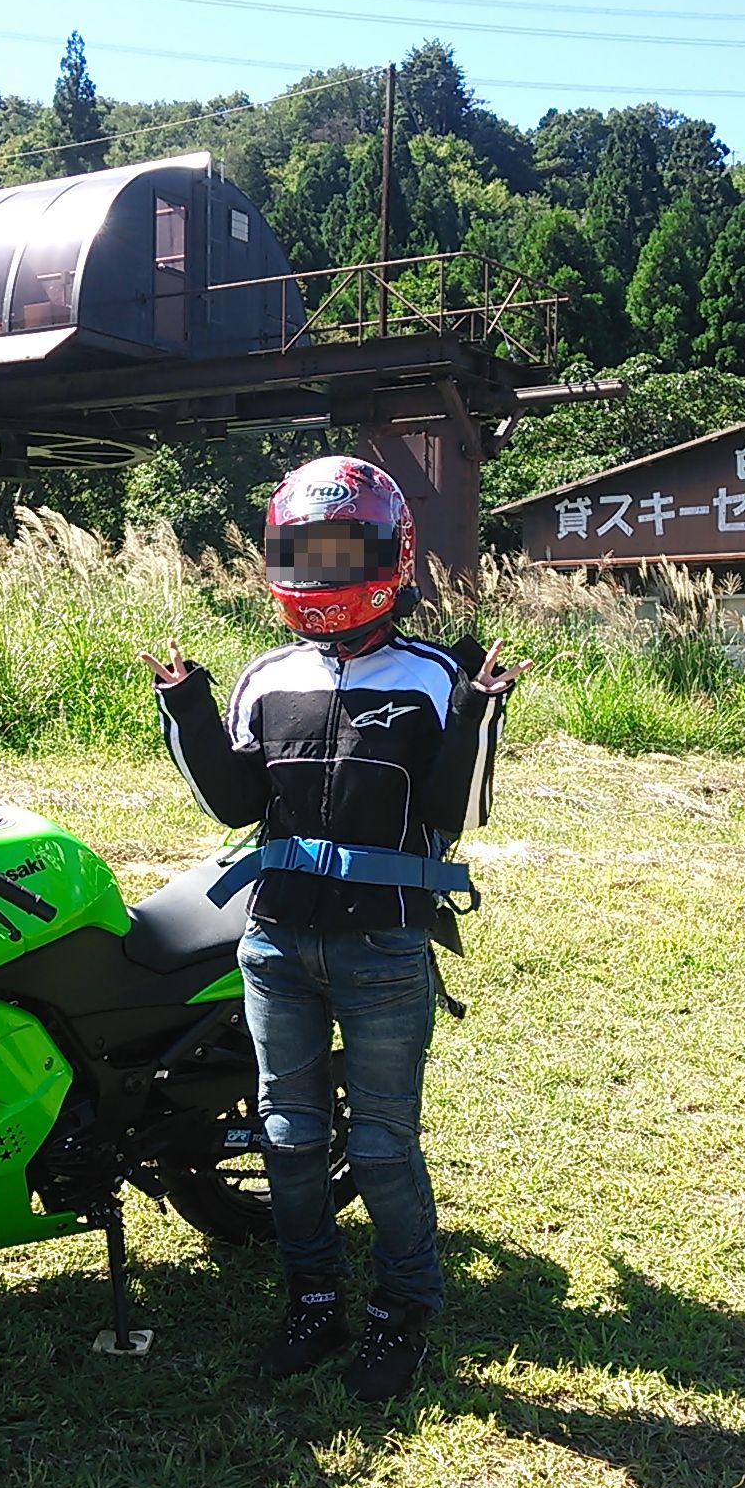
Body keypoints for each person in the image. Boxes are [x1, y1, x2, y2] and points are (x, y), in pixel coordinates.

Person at [139, 455, 528, 1401]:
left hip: (384, 946)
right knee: (288, 1135)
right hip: (274, 943)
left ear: (390, 555)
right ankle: (312, 1300)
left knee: (383, 1144)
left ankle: (402, 1314)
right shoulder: (264, 677)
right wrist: (186, 705)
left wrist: (480, 713)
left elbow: (458, 812)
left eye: (342, 552)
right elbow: (235, 806)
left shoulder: (434, 677)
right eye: (304, 553)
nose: (322, 572)